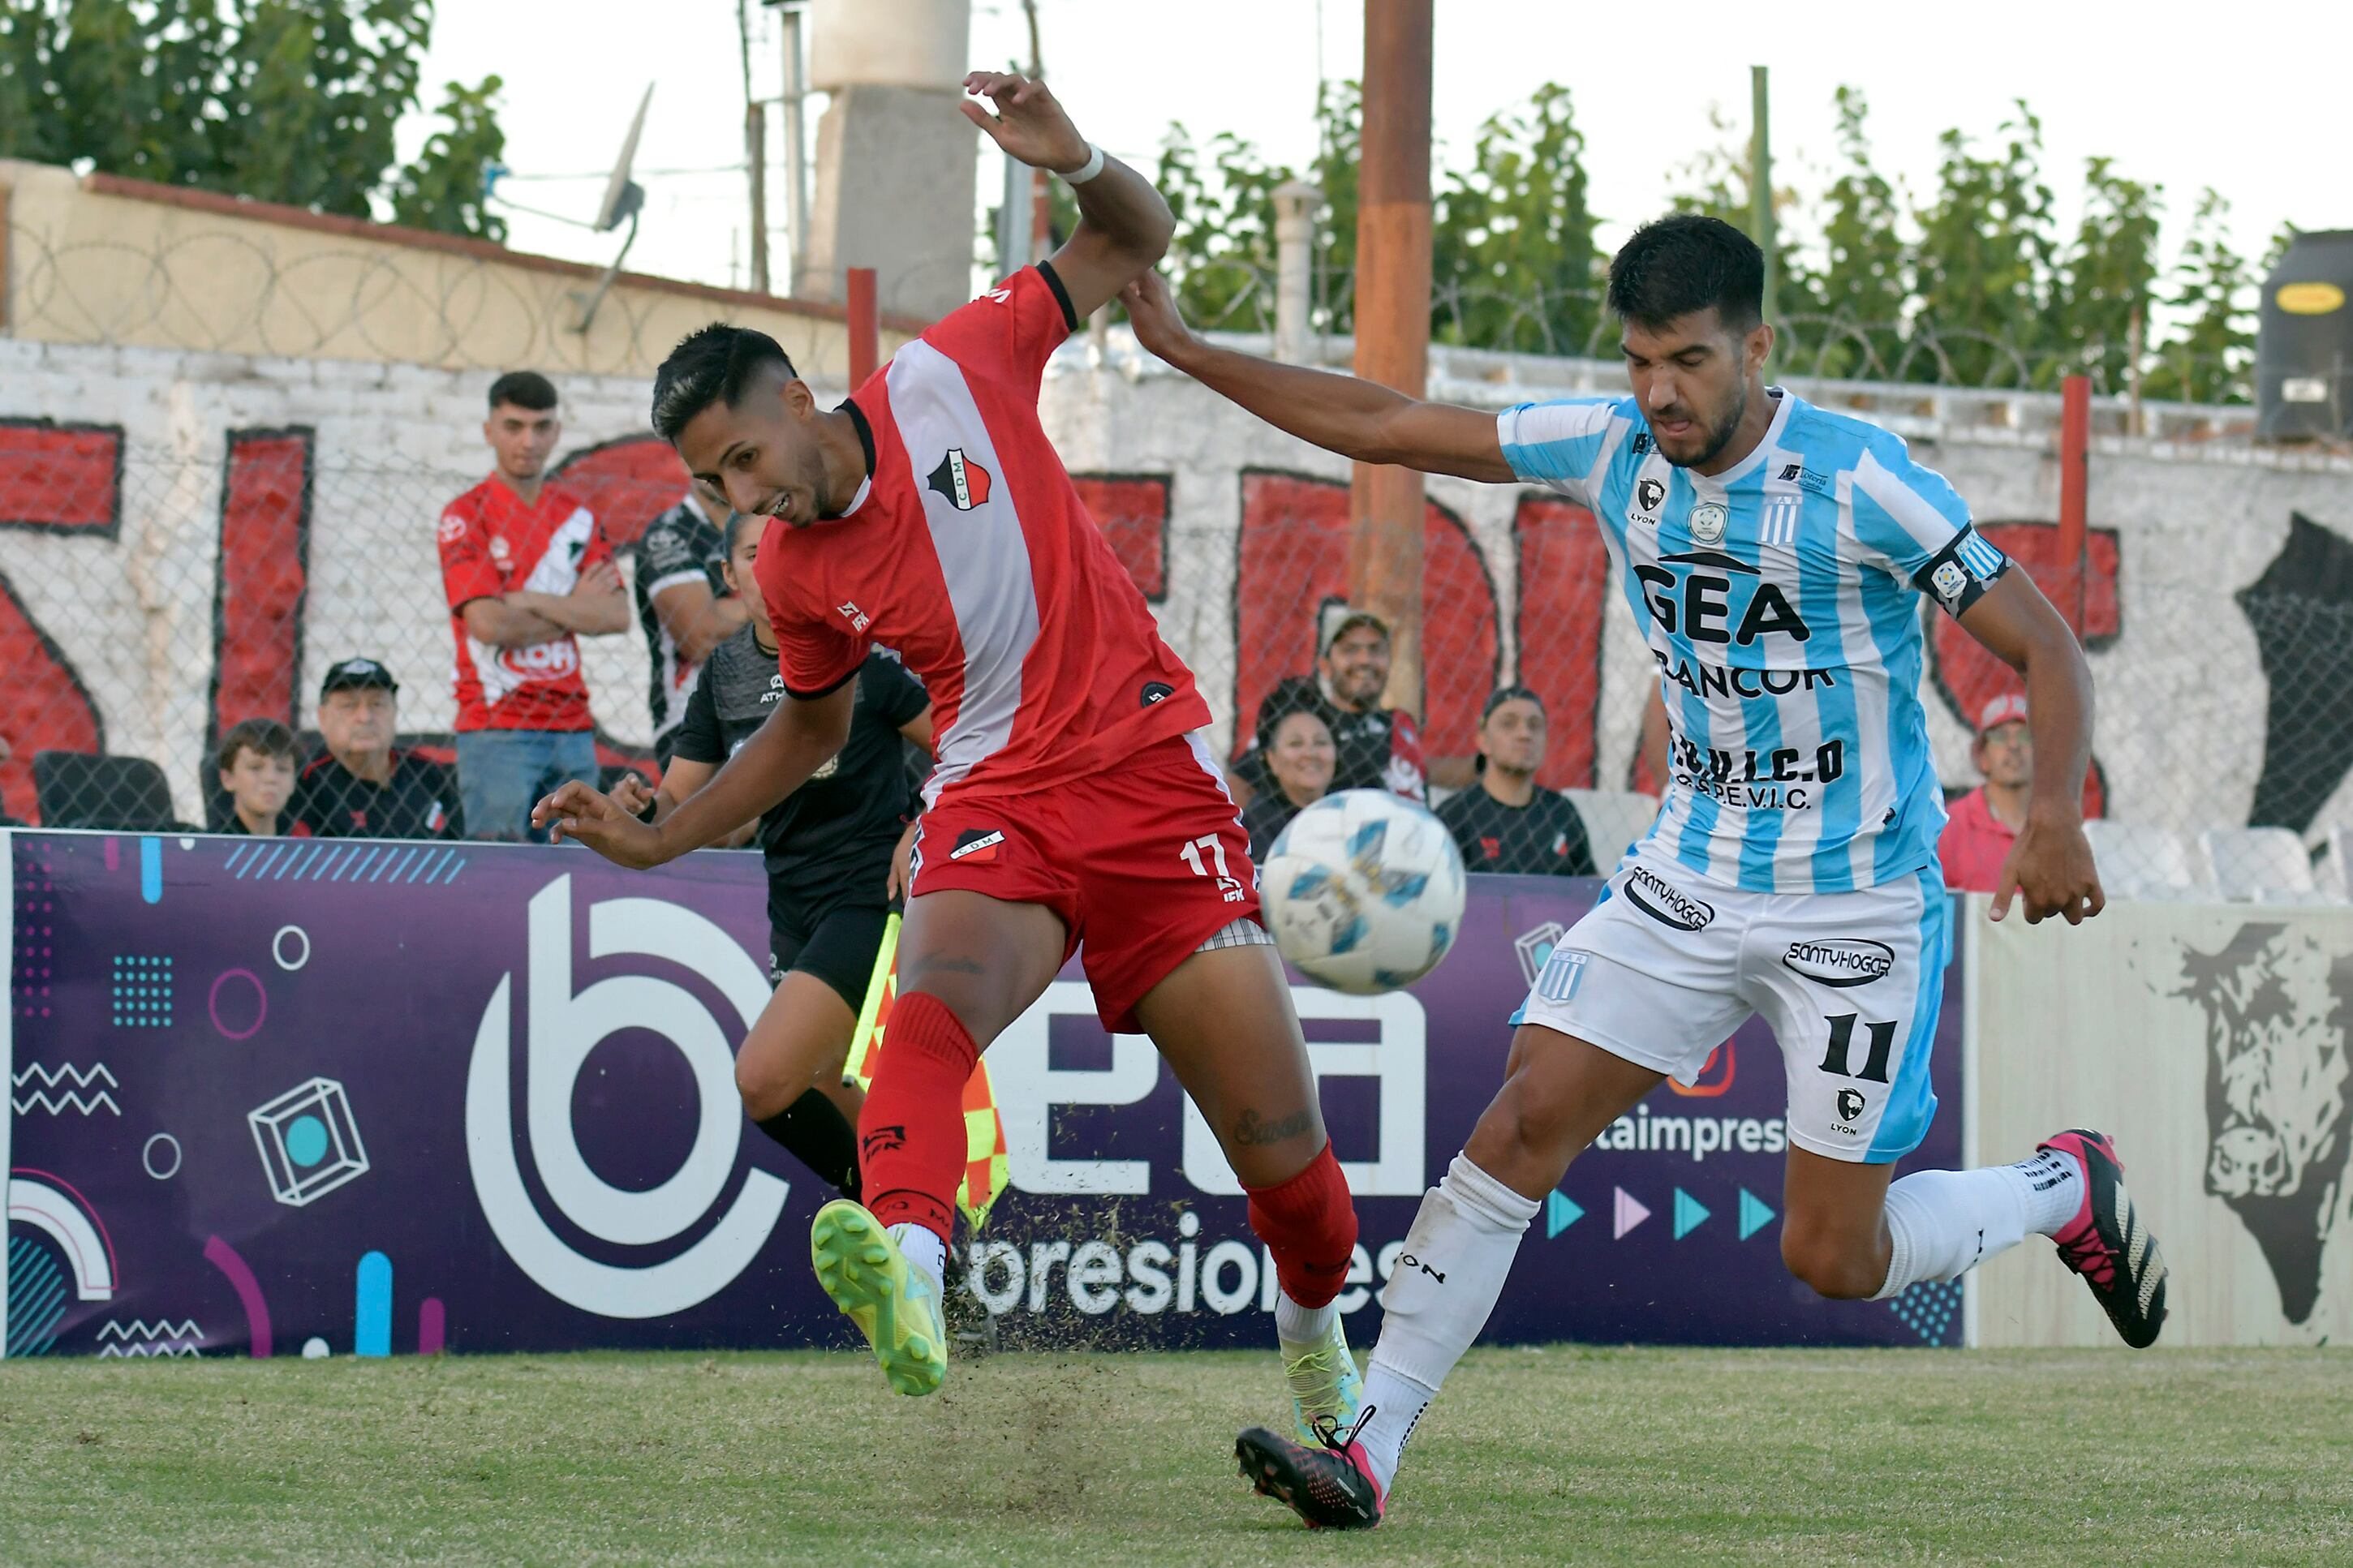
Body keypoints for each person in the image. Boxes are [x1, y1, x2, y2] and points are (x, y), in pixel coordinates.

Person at [1125, 212, 2163, 1529]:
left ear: (1755, 347)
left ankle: (2062, 1184)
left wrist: (2054, 813)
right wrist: (1180, 344)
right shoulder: (1613, 448)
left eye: (1687, 360)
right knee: (1516, 1126)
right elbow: (1386, 423)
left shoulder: (1864, 479)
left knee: (1832, 1255)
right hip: (1686, 876)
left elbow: (2050, 648)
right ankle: (1367, 1447)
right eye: (1638, 362)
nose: (1660, 392)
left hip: (1855, 907)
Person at [533, 70, 1363, 1437]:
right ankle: (913, 1269)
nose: (748, 498)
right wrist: (664, 833)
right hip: (996, 799)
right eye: (716, 486)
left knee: (1290, 1171)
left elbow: (1130, 241)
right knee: (925, 1015)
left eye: (748, 457)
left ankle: (1317, 1322)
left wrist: (1080, 155)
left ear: (798, 395)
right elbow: (809, 726)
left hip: (1154, 785)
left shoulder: (955, 366)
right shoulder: (794, 573)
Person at [614, 509, 931, 1197]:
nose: (774, 564)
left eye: (787, 548)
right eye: (756, 553)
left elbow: (966, 743)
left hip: (871, 896)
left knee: (764, 1079)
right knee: (821, 1087)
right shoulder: (723, 673)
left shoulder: (863, 652)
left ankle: (909, 1226)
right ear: (729, 576)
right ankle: (923, 1238)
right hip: (792, 907)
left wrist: (930, 819)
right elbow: (676, 805)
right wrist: (633, 809)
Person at [439, 370, 629, 841]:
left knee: (577, 875)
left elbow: (616, 616)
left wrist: (529, 601)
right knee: (499, 882)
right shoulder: (466, 514)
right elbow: (486, 623)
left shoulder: (578, 517)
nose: (529, 440)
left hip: (572, 726)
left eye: (541, 427)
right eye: (514, 426)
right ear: (489, 431)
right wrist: (574, 608)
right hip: (496, 727)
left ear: (557, 432)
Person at [1233, 606, 1426, 805]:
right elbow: (1240, 784)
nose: (1365, 660)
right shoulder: (1307, 724)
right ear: (1325, 666)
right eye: (1350, 650)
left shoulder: (1400, 724)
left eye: (1375, 649)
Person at [634, 486, 750, 767]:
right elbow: (700, 637)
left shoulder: (772, 525)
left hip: (770, 706)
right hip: (690, 719)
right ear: (686, 461)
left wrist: (723, 610)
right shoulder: (669, 534)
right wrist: (781, 602)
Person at [291, 659, 462, 840]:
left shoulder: (430, 775)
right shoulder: (305, 784)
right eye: (349, 705)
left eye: (377, 704)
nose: (365, 717)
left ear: (395, 712)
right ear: (323, 718)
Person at [1437, 687, 1595, 876]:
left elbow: (1590, 887)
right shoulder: (1454, 816)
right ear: (1483, 741)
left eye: (1535, 725)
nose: (1525, 734)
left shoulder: (1562, 811)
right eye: (1508, 724)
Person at [1939, 693, 2032, 895]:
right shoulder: (1950, 827)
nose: (2013, 746)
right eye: (2000, 737)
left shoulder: (2057, 826)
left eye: (2025, 735)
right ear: (1982, 757)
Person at [1242, 707, 1335, 858]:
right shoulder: (1254, 828)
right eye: (1295, 744)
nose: (1310, 753)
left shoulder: (1350, 814)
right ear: (1272, 760)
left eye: (1321, 742)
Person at [215, 718, 299, 836]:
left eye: (282, 769)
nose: (271, 778)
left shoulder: (304, 843)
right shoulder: (212, 847)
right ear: (228, 779)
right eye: (255, 767)